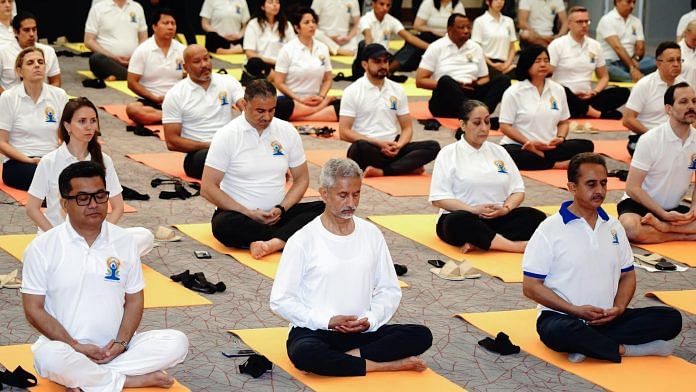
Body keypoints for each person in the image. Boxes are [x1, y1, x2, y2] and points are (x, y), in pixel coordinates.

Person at [21, 161, 189, 390]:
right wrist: (75, 346)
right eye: (83, 198)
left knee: (177, 343)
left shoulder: (124, 241)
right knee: (49, 358)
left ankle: (92, 379)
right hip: (65, 347)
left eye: (100, 196)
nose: (93, 204)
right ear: (64, 204)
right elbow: (33, 309)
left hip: (115, 349)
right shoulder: (42, 247)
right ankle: (126, 380)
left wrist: (121, 342)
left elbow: (134, 299)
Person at [270, 157, 433, 377]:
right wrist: (327, 321)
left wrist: (371, 319)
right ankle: (383, 365)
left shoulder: (371, 234)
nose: (351, 203)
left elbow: (389, 289)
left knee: (421, 335)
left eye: (356, 194)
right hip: (317, 330)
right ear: (324, 194)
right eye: (343, 195)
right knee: (305, 354)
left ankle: (349, 360)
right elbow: (281, 300)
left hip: (362, 329)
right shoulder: (302, 240)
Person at [522, 152, 682, 364]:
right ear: (572, 187)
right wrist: (574, 310)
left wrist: (619, 308)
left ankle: (590, 345)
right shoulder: (549, 229)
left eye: (603, 183)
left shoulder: (614, 227)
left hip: (608, 318)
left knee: (672, 319)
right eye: (591, 184)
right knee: (561, 332)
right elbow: (531, 286)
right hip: (563, 316)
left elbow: (627, 276)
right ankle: (627, 349)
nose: (599, 191)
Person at [201, 79, 324, 259]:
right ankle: (286, 237)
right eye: (260, 111)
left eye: (271, 110)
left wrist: (282, 208)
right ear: (244, 104)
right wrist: (248, 212)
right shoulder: (227, 135)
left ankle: (273, 242)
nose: (266, 117)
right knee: (223, 225)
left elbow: (302, 179)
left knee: (324, 209)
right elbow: (208, 187)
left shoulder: (287, 131)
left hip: (279, 214)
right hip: (239, 215)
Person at [27, 97, 154, 256]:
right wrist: (55, 236)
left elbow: (118, 207)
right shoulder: (49, 161)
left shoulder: (104, 160)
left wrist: (100, 236)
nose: (89, 126)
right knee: (33, 252)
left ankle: (90, 254)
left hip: (94, 236)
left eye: (93, 121)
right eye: (82, 121)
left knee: (144, 236)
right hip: (57, 236)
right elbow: (32, 208)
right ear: (67, 126)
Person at [430, 100, 546, 253]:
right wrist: (472, 210)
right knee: (456, 221)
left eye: (487, 122)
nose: (484, 128)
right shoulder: (449, 153)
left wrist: (505, 209)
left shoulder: (499, 151)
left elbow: (518, 191)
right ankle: (514, 246)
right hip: (465, 217)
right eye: (477, 123)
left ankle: (483, 241)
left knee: (536, 217)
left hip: (497, 218)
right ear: (463, 125)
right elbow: (439, 199)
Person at [339, 44, 440, 177]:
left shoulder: (397, 89)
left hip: (393, 146)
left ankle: (383, 171)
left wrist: (399, 145)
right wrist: (378, 143)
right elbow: (344, 132)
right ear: (364, 64)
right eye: (377, 61)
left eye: (385, 61)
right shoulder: (352, 91)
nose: (383, 65)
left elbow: (407, 128)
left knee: (433, 146)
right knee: (358, 148)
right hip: (369, 147)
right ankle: (404, 166)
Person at [618, 82, 696, 244]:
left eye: (694, 101)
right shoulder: (650, 139)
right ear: (669, 109)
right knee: (630, 228)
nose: (691, 106)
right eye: (683, 102)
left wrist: (694, 210)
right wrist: (662, 214)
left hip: (673, 209)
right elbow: (632, 188)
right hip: (640, 205)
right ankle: (681, 234)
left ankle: (665, 229)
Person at [499, 45, 593, 170]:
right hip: (521, 145)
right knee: (510, 155)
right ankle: (555, 164)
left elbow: (564, 122)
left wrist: (560, 137)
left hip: (549, 146)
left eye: (546, 61)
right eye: (538, 61)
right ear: (527, 64)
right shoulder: (514, 92)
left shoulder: (558, 89)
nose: (543, 64)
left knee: (587, 145)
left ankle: (541, 157)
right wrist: (528, 142)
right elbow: (505, 126)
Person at [163, 44, 245, 180]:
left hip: (230, 148)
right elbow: (172, 142)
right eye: (197, 61)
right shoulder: (175, 94)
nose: (204, 65)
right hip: (198, 154)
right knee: (210, 158)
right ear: (185, 67)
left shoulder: (227, 81)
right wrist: (210, 145)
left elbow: (245, 106)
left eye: (206, 59)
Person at [416, 13, 510, 119]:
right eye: (462, 28)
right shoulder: (436, 47)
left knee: (503, 79)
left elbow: (485, 78)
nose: (466, 31)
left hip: (471, 92)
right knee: (445, 81)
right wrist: (455, 85)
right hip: (446, 99)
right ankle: (476, 115)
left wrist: (477, 83)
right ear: (450, 29)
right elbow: (420, 81)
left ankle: (478, 113)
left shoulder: (475, 47)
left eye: (468, 27)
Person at [0, 47, 68, 190]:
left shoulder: (59, 95)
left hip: (51, 159)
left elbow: (68, 135)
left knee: (87, 170)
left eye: (40, 62)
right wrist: (30, 160)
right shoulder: (8, 97)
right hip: (19, 162)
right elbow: (1, 142)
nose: (37, 65)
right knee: (45, 176)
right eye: (30, 63)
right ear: (20, 71)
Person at [548, 6, 629, 120]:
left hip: (588, 97)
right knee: (562, 91)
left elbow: (604, 77)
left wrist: (594, 92)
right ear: (569, 24)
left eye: (587, 21)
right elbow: (546, 77)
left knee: (623, 92)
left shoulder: (595, 46)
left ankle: (582, 111)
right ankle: (598, 114)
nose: (584, 25)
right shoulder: (557, 45)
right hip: (565, 96)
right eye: (580, 22)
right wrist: (572, 95)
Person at [271, 8, 339, 122]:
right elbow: (278, 82)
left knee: (343, 105)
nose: (311, 25)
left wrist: (322, 97)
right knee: (280, 105)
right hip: (293, 101)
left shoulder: (323, 48)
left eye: (313, 21)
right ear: (297, 28)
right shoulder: (287, 50)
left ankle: (301, 116)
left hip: (316, 99)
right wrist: (299, 99)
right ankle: (319, 112)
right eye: (306, 22)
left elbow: (328, 79)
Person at [125, 8, 185, 127]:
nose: (170, 27)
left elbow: (193, 78)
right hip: (151, 100)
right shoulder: (143, 50)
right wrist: (154, 98)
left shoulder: (183, 50)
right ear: (154, 27)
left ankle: (171, 117)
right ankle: (175, 118)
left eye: (173, 23)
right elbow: (131, 82)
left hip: (177, 100)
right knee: (133, 109)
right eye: (165, 23)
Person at [623, 42, 683, 156]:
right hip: (645, 137)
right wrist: (655, 136)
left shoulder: (684, 85)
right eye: (671, 60)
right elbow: (627, 119)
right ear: (658, 63)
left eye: (679, 60)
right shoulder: (644, 84)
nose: (676, 64)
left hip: (676, 136)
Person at [350, 0, 429, 81]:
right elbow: (368, 38)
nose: (385, 8)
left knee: (412, 45)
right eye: (381, 4)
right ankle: (375, 72)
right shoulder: (365, 19)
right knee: (363, 45)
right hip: (366, 60)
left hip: (384, 60)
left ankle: (386, 71)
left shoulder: (391, 20)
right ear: (373, 4)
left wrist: (432, 47)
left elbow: (409, 37)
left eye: (388, 5)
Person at [393, 0, 466, 72]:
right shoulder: (428, 2)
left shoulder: (458, 5)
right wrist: (434, 31)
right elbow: (417, 25)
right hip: (430, 37)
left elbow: (463, 27)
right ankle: (392, 66)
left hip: (449, 38)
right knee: (413, 43)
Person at [84, 0, 148, 81]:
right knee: (96, 59)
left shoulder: (137, 7)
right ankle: (134, 76)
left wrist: (135, 57)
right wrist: (113, 56)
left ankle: (120, 75)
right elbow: (89, 41)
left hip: (134, 61)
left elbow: (144, 39)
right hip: (109, 61)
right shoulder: (98, 8)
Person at [0, 12, 61, 93]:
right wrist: (8, 100)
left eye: (34, 29)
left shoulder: (48, 51)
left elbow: (56, 81)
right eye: (26, 30)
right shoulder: (2, 52)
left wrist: (45, 97)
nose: (32, 34)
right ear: (15, 32)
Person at [596, 0, 656, 83]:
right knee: (605, 69)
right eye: (628, 2)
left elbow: (640, 47)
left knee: (656, 61)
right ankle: (638, 79)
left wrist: (635, 58)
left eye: (634, 2)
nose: (632, 6)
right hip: (611, 63)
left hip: (632, 62)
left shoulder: (636, 21)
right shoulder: (607, 20)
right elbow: (618, 48)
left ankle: (633, 77)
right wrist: (632, 68)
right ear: (617, 2)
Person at [242, 0, 295, 81]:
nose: (275, 5)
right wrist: (273, 61)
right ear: (262, 6)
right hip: (262, 64)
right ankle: (278, 79)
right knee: (254, 63)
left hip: (281, 65)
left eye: (277, 2)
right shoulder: (253, 24)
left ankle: (274, 78)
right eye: (271, 2)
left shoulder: (286, 25)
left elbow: (294, 48)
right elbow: (249, 53)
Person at [471, 0, 516, 77]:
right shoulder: (479, 21)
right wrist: (492, 64)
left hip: (505, 63)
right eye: (496, 0)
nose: (500, 2)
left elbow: (513, 46)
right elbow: (476, 48)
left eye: (502, 0)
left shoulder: (509, 21)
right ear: (487, 2)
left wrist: (507, 64)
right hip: (486, 63)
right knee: (500, 79)